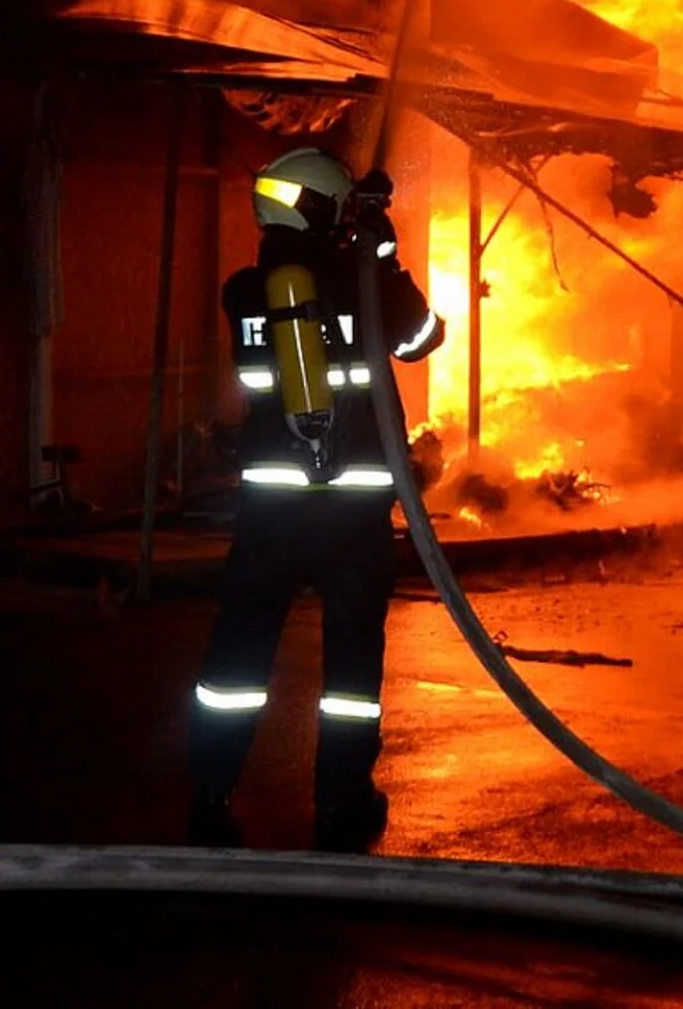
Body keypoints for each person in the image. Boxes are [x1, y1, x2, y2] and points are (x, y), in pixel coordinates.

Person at [187, 146, 444, 850]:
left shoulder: (244, 290)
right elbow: (423, 339)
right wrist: (381, 255)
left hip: (270, 506)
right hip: (351, 509)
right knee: (350, 669)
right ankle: (342, 801)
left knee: (238, 655)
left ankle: (211, 788)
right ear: (324, 207)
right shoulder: (361, 282)